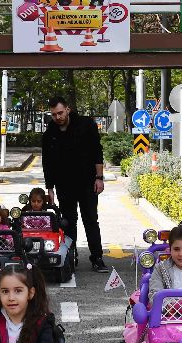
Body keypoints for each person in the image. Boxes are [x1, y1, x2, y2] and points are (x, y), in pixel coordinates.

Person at [41, 96, 108, 273]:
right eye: (54, 114)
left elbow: (97, 151)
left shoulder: (86, 125)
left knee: (91, 220)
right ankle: (70, 257)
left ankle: (97, 258)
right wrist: (50, 188)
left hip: (87, 182)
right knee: (68, 222)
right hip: (64, 185)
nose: (58, 117)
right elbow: (47, 163)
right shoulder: (49, 134)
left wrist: (99, 178)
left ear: (68, 109)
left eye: (60, 113)